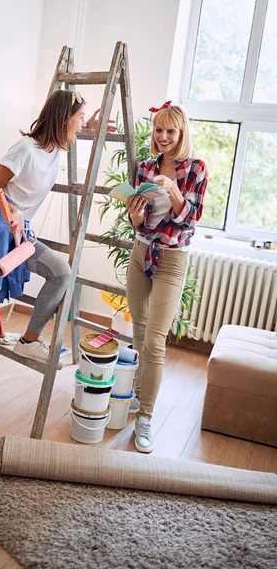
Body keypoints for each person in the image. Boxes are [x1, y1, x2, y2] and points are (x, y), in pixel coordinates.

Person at [0, 89, 115, 422]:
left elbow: (79, 132)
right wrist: (12, 212)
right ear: (64, 119)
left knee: (61, 271)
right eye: (78, 119)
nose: (80, 126)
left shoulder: (55, 149)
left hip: (19, 233)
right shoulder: (26, 149)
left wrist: (92, 123)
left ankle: (29, 339)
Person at [125, 101, 208, 453]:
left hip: (173, 258)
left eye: (170, 131)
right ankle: (138, 396)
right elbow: (138, 222)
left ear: (181, 133)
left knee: (156, 339)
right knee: (139, 330)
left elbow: (190, 218)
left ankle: (145, 417)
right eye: (158, 130)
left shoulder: (196, 169)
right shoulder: (144, 167)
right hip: (141, 250)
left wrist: (171, 190)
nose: (163, 137)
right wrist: (135, 216)